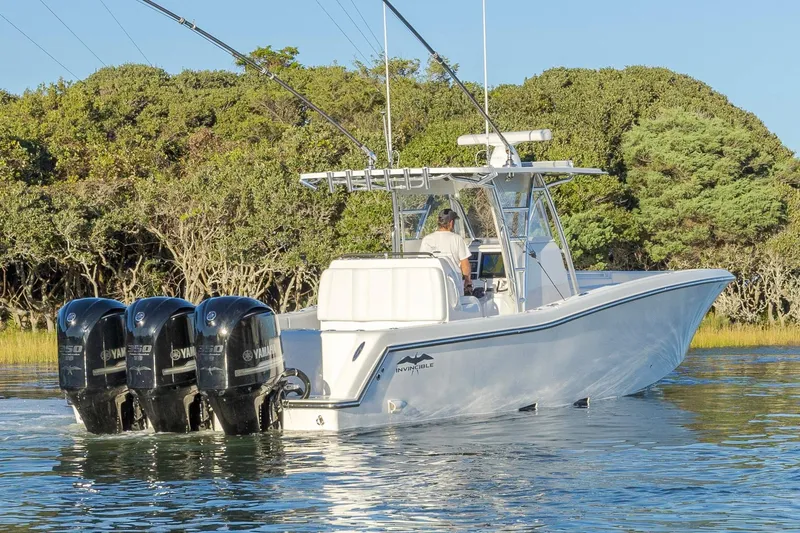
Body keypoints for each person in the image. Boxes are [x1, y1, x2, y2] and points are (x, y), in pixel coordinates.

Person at [420, 209, 473, 295]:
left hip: (433, 286)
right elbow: (465, 265)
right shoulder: (457, 239)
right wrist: (468, 281)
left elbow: (423, 264)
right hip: (454, 286)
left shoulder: (427, 239)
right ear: (451, 222)